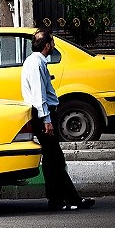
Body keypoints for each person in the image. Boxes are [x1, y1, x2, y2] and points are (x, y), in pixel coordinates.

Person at [21, 28, 95, 211]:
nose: (53, 45)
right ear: (47, 46)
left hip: (42, 114)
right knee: (56, 159)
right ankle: (71, 199)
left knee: (51, 159)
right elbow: (39, 95)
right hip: (43, 116)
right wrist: (47, 120)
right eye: (52, 43)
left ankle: (56, 199)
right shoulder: (37, 64)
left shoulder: (33, 61)